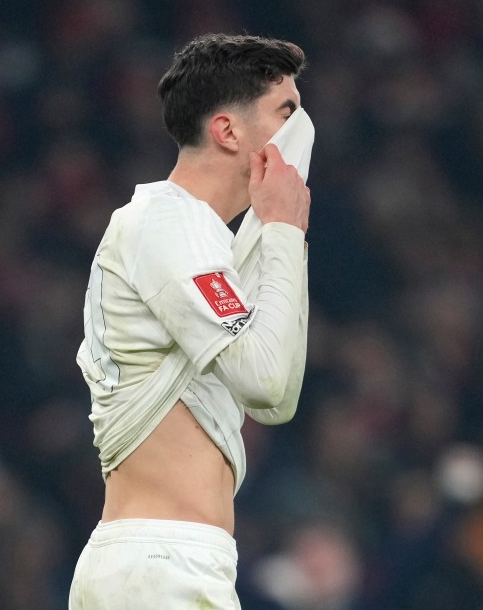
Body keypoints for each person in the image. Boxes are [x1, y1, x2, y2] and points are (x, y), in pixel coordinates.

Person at [69, 33, 311, 609]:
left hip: (169, 564)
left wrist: (276, 231)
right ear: (228, 131)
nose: (303, 135)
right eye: (288, 113)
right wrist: (280, 230)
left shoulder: (207, 243)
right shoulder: (164, 222)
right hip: (160, 566)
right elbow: (265, 380)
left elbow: (276, 402)